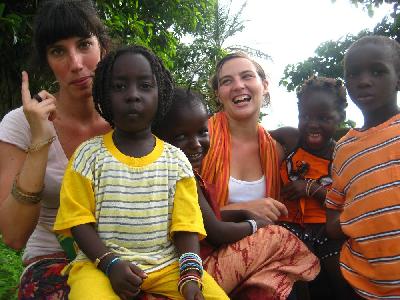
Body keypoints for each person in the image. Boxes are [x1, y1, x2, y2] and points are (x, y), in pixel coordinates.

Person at [53, 45, 228, 300]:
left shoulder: (176, 161)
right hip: (99, 265)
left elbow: (186, 226)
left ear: (161, 94)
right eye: (119, 86)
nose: (133, 95)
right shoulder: (87, 156)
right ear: (102, 94)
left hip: (167, 265)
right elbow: (78, 221)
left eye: (145, 86)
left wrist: (190, 277)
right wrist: (110, 264)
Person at [154, 87, 320, 299]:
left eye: (202, 132)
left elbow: (202, 217)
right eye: (180, 136)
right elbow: (216, 231)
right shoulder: (182, 177)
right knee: (279, 237)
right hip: (193, 272)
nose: (195, 143)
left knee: (272, 276)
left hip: (196, 266)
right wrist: (255, 225)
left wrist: (241, 213)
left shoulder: (178, 174)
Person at [0, 1, 111, 298]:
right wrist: (41, 140)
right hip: (54, 261)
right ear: (46, 60)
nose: (76, 63)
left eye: (85, 44)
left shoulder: (131, 115)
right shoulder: (21, 124)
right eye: (58, 51)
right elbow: (13, 235)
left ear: (102, 46)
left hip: (130, 254)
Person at [325, 35, 400, 299]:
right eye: (354, 74)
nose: (364, 81)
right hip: (361, 283)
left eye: (378, 71)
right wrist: (354, 220)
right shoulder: (344, 149)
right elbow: (334, 209)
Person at [271, 76, 353, 299]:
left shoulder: (342, 155)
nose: (313, 124)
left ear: (341, 117)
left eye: (323, 117)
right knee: (295, 281)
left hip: (325, 230)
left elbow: (345, 202)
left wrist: (310, 188)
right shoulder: (291, 139)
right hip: (288, 226)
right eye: (305, 116)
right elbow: (253, 137)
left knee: (340, 279)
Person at [200, 52, 288, 223]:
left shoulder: (276, 151)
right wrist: (243, 210)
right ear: (218, 94)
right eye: (227, 81)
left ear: (264, 85)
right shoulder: (200, 139)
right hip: (204, 245)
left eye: (247, 76)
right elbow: (179, 208)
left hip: (265, 245)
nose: (238, 86)